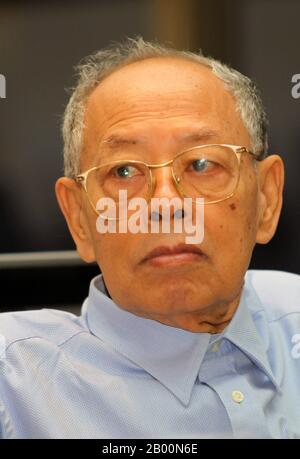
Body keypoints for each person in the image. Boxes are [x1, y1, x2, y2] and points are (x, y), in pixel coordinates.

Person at [0, 37, 299, 439]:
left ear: (267, 198)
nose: (165, 203)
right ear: (79, 220)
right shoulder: (15, 383)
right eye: (124, 172)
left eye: (202, 163)